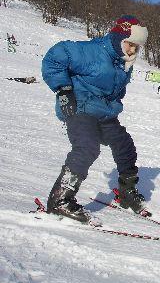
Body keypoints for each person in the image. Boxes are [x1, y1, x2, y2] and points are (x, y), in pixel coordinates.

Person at [41, 15, 150, 224]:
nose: (133, 50)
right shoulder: (92, 51)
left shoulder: (123, 63)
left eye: (137, 47)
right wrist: (63, 90)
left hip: (104, 113)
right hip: (79, 107)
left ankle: (126, 193)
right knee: (87, 146)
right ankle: (60, 200)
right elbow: (54, 57)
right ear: (119, 38)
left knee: (125, 145)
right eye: (130, 44)